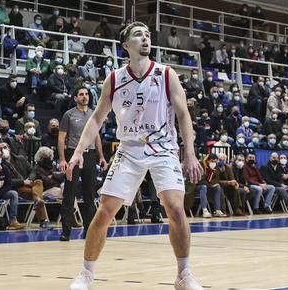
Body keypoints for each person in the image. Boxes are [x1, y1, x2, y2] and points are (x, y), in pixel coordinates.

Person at [66, 22, 203, 290]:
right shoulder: (114, 79)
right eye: (138, 35)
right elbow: (96, 119)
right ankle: (86, 274)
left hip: (163, 148)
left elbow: (184, 115)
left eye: (148, 35)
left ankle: (184, 274)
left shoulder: (166, 74)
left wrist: (190, 153)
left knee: (175, 208)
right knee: (105, 211)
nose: (145, 38)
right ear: (126, 44)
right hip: (129, 149)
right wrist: (78, 151)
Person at [59, 86, 108, 242]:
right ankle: (66, 231)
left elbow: (97, 137)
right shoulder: (69, 115)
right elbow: (61, 139)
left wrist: (101, 156)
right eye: (81, 94)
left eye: (86, 94)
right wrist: (62, 159)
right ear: (75, 98)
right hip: (73, 154)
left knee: (89, 194)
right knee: (69, 193)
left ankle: (89, 231)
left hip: (90, 155)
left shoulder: (94, 114)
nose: (84, 97)